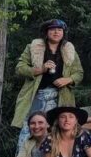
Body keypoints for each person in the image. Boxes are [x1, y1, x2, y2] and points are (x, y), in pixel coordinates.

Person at [13, 18, 84, 149]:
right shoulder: (33, 47)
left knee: (57, 130)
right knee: (30, 128)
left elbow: (79, 73)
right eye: (52, 29)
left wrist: (68, 80)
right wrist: (41, 69)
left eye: (59, 29)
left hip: (61, 96)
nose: (56, 32)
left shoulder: (69, 49)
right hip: (36, 95)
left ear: (63, 32)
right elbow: (19, 68)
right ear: (46, 32)